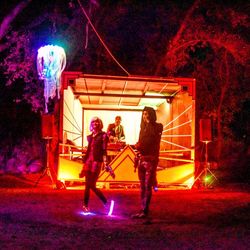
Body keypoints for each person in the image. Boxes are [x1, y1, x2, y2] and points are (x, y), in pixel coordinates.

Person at [132, 107, 163, 218]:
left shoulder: (158, 126)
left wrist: (149, 123)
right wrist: (138, 145)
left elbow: (154, 139)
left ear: (152, 115)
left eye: (148, 114)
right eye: (144, 114)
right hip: (142, 159)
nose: (146, 116)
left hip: (151, 160)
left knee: (147, 186)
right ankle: (142, 209)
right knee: (142, 187)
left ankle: (145, 211)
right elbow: (142, 142)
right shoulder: (142, 128)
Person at [79, 117, 114, 214]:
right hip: (88, 162)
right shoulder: (90, 137)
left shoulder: (103, 136)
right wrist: (84, 163)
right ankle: (85, 205)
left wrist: (106, 163)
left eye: (97, 121)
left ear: (100, 123)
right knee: (87, 185)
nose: (95, 123)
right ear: (91, 124)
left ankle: (105, 202)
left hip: (96, 162)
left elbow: (104, 150)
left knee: (92, 185)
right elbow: (89, 150)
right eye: (93, 122)